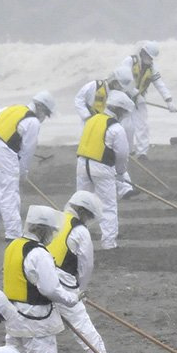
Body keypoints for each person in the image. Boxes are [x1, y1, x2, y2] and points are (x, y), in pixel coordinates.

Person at [0, 205, 80, 353]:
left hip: (13, 317)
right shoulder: (39, 253)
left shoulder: (13, 245)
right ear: (44, 230)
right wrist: (72, 299)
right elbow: (50, 288)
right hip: (37, 319)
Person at [47, 191, 111, 353]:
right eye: (89, 216)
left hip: (39, 277)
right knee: (81, 322)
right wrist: (80, 291)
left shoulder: (53, 220)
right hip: (63, 281)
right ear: (83, 212)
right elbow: (86, 265)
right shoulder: (80, 231)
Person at [0, 91, 55, 240]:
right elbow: (27, 151)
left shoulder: (12, 108)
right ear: (39, 107)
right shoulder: (33, 122)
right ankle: (13, 234)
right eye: (46, 113)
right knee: (9, 194)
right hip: (4, 152)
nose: (44, 117)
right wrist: (22, 172)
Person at [76, 90, 133, 250]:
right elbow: (122, 154)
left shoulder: (92, 120)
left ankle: (77, 242)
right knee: (108, 206)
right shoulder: (116, 128)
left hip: (81, 164)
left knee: (81, 204)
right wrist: (121, 173)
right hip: (102, 168)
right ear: (120, 110)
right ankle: (109, 243)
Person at [119, 40, 176, 159]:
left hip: (139, 100)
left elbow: (159, 84)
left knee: (142, 125)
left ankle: (142, 153)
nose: (150, 59)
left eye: (152, 58)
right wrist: (134, 93)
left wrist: (168, 100)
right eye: (149, 56)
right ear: (143, 52)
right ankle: (128, 151)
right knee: (126, 126)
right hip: (124, 98)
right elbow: (123, 79)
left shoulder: (152, 67)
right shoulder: (129, 61)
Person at [72, 66, 138, 123]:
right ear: (114, 81)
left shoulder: (119, 94)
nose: (121, 89)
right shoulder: (96, 85)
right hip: (89, 123)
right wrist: (86, 116)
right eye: (119, 86)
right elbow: (79, 98)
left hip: (106, 125)